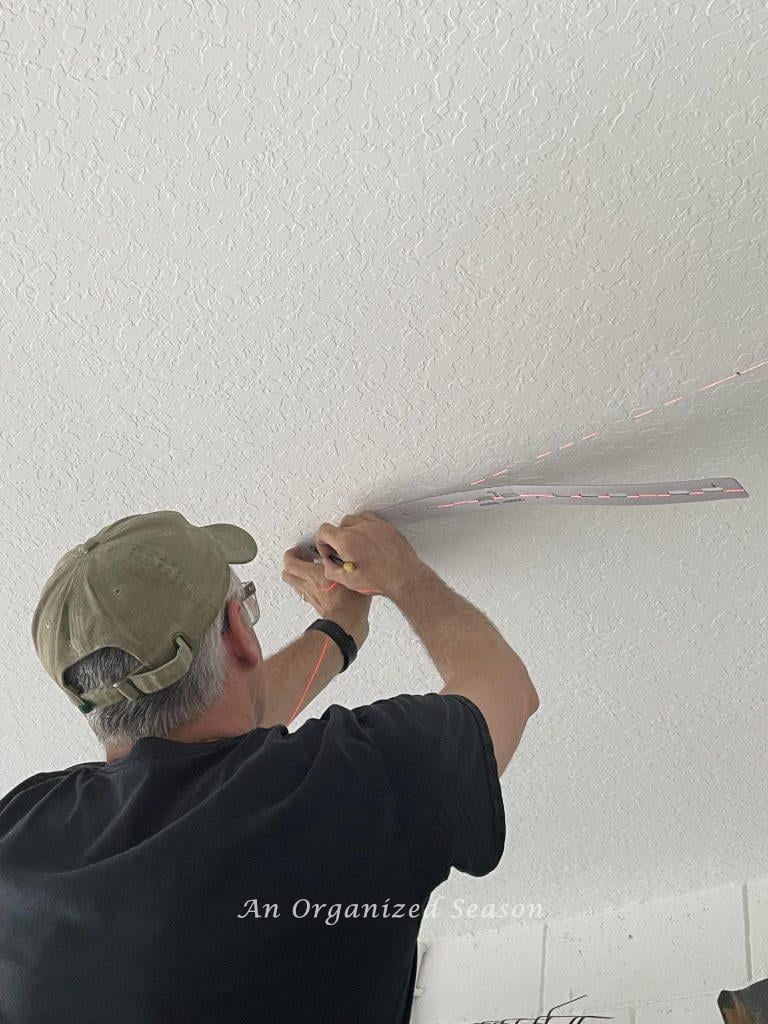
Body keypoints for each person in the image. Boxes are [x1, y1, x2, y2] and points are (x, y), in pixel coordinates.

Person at [0, 508, 539, 1024]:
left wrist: (336, 635)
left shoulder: (20, 828)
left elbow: (207, 739)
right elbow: (505, 690)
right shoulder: (352, 788)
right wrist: (404, 575)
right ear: (240, 630)